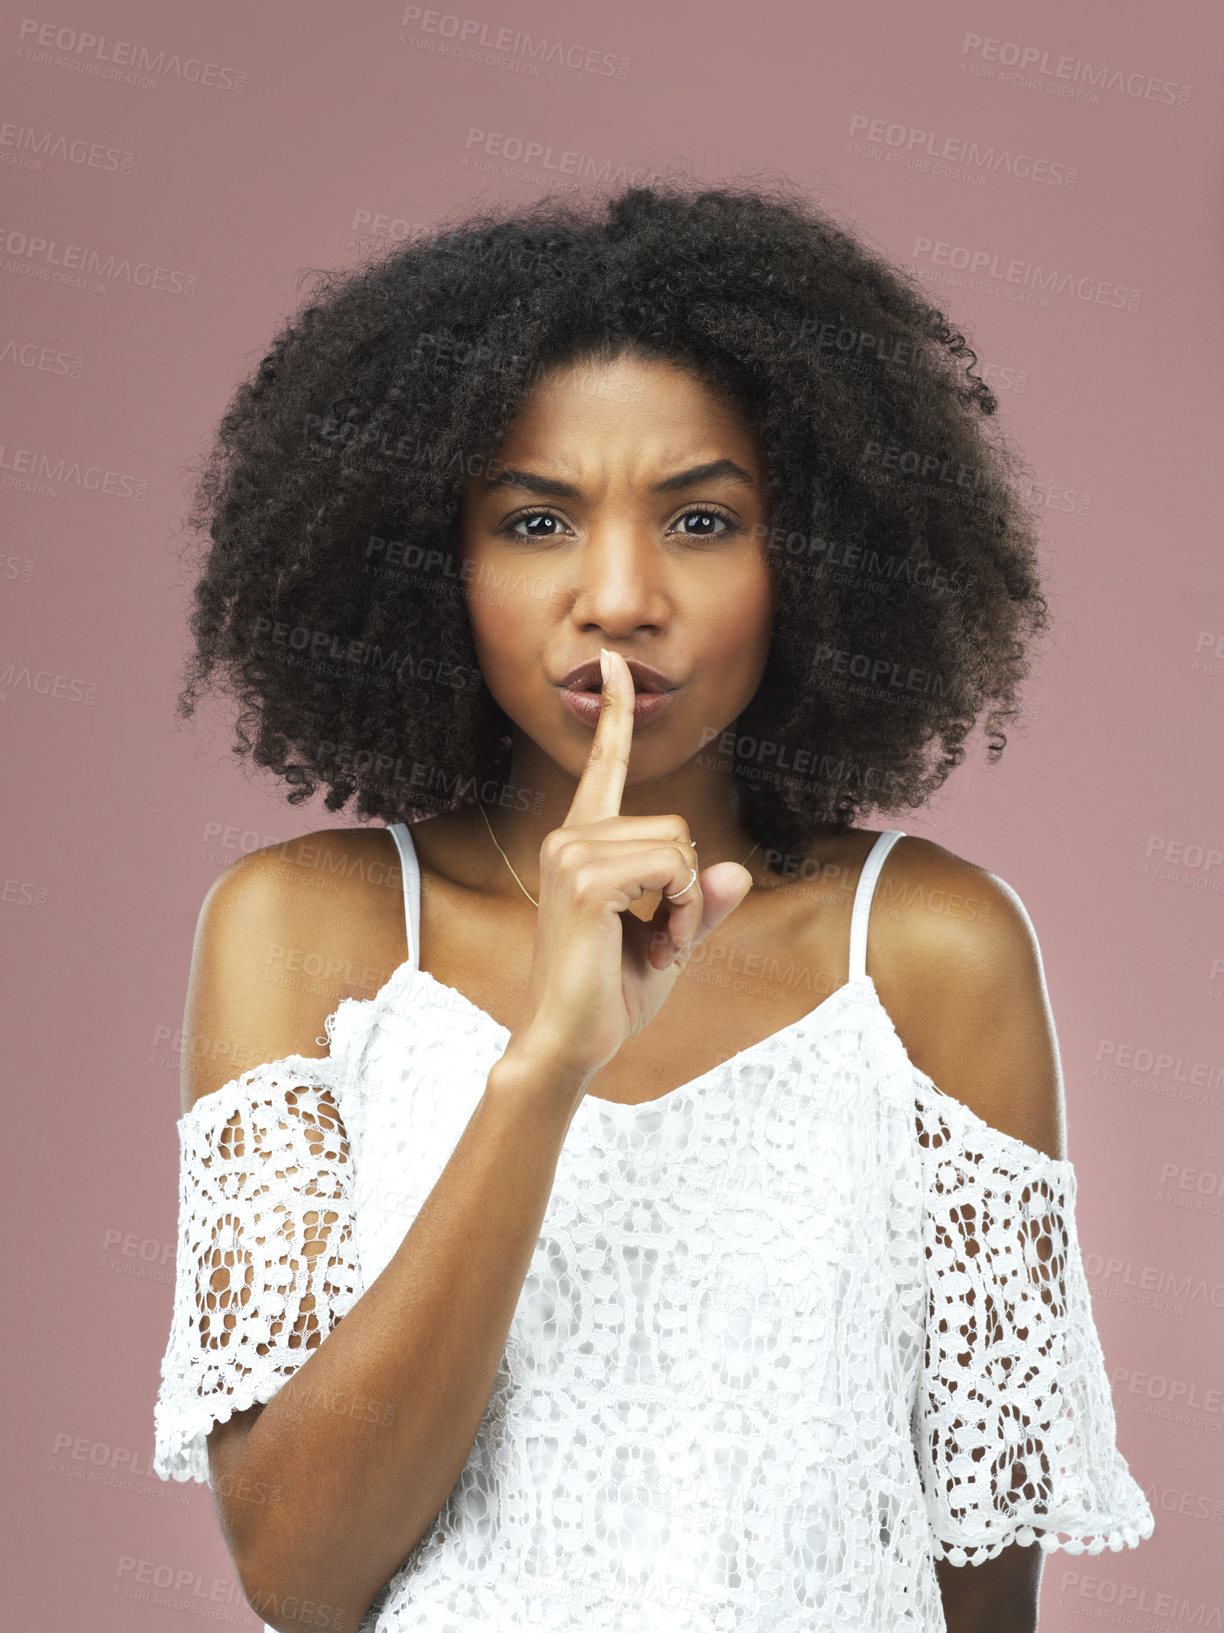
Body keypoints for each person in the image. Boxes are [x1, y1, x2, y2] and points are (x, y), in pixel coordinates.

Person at [153, 176, 1154, 1633]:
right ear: (434, 555)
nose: (618, 595)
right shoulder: (308, 934)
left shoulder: (931, 958)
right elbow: (301, 1572)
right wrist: (546, 1062)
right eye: (538, 520)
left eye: (699, 518)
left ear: (806, 553)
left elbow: (980, 1592)